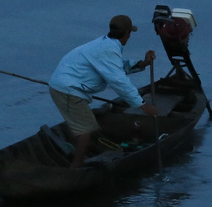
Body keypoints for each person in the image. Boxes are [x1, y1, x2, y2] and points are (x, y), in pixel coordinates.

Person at [48, 15, 158, 168]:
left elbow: (117, 67)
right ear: (127, 33)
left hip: (63, 86)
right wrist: (142, 104)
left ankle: (77, 153)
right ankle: (76, 166)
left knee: (83, 125)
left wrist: (143, 63)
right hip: (68, 90)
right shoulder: (108, 48)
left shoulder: (106, 44)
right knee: (87, 128)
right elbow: (119, 81)